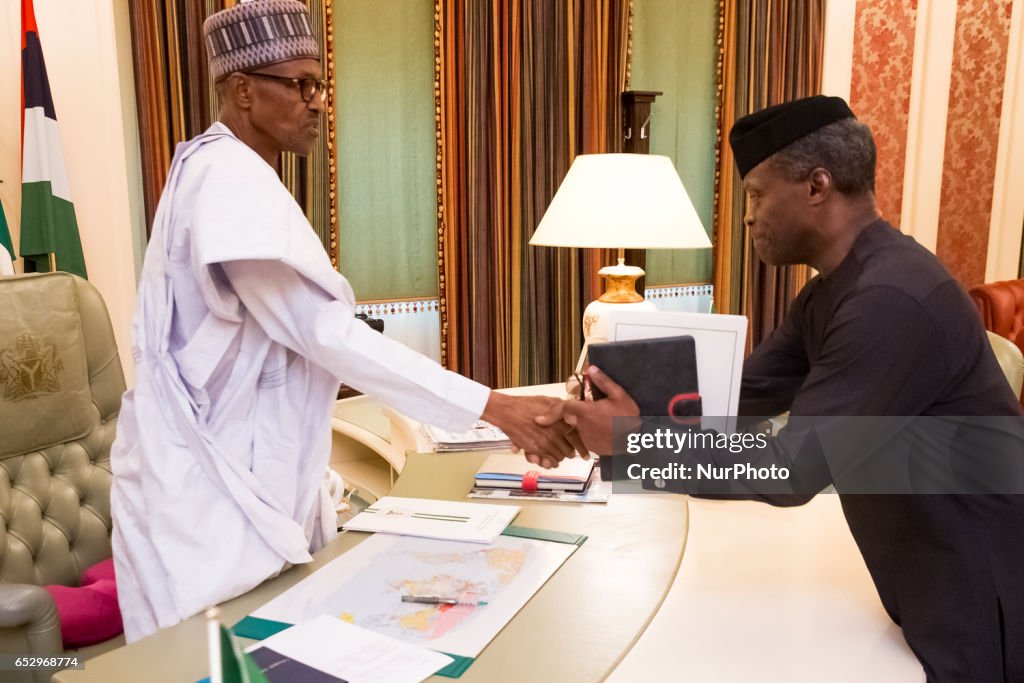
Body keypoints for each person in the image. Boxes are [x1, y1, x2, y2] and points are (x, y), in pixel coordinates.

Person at [110, 0, 581, 642]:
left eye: (319, 85)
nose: (317, 102)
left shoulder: (229, 170)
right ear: (243, 90)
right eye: (299, 85)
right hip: (206, 503)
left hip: (241, 481)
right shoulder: (227, 181)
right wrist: (498, 407)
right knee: (210, 660)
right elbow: (325, 334)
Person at [544, 95, 1024, 680]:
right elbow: (741, 395)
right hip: (923, 568)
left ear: (817, 186)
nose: (747, 217)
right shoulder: (835, 290)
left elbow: (790, 469)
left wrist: (632, 442)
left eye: (756, 195)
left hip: (980, 586)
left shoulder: (889, 300)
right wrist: (610, 400)